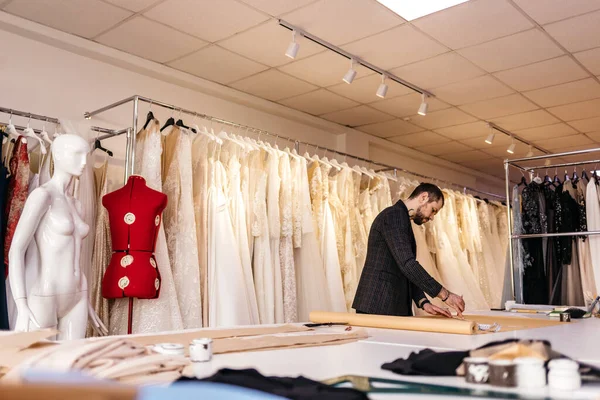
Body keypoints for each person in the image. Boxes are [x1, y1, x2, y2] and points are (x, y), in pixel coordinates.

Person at [352, 183, 465, 318]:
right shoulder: (394, 216)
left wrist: (424, 303)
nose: (432, 217)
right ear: (423, 197)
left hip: (386, 304)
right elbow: (408, 264)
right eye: (433, 210)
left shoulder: (401, 218)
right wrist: (445, 295)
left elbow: (404, 269)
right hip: (379, 304)